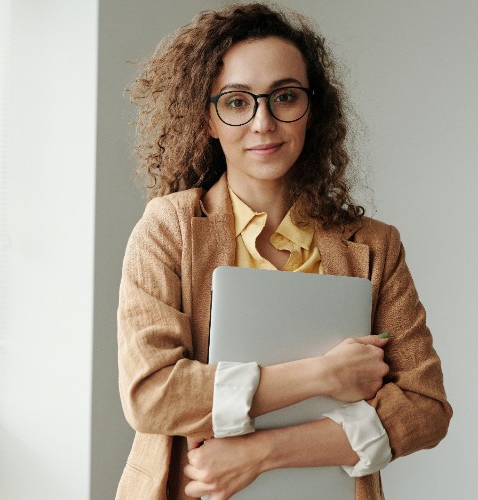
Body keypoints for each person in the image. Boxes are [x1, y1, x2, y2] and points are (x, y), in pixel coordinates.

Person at [116, 4, 452, 500]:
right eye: (236, 102)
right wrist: (323, 374)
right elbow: (153, 394)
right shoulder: (169, 229)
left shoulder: (375, 246)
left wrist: (261, 452)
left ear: (311, 110)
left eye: (285, 97)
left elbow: (425, 409)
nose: (263, 123)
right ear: (207, 117)